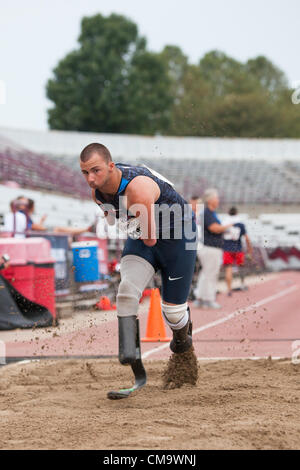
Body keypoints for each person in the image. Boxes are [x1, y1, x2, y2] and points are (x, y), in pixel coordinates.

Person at [80, 143, 198, 397]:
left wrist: (130, 217)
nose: (90, 179)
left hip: (177, 236)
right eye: (85, 173)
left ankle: (182, 341)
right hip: (144, 234)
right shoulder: (98, 194)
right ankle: (131, 359)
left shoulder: (138, 189)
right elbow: (116, 222)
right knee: (125, 293)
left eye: (96, 171)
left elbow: (150, 239)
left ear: (111, 167)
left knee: (174, 313)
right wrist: (123, 219)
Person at [194, 188, 232, 309]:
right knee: (211, 274)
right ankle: (208, 298)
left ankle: (200, 297)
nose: (218, 200)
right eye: (216, 198)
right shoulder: (207, 213)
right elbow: (214, 228)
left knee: (206, 273)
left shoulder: (210, 212)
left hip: (210, 247)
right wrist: (228, 227)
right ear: (210, 200)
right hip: (210, 248)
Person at [222, 206, 253, 296]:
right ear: (236, 213)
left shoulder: (224, 223)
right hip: (238, 248)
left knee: (228, 269)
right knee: (241, 267)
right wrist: (249, 250)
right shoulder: (240, 223)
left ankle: (229, 289)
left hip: (227, 248)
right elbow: (246, 238)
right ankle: (242, 284)